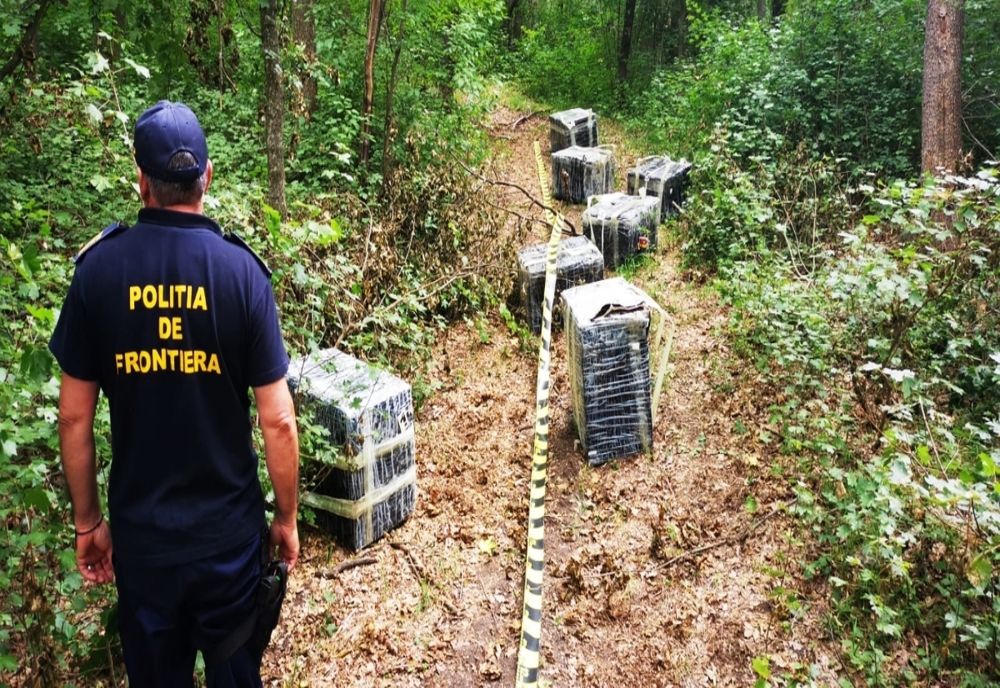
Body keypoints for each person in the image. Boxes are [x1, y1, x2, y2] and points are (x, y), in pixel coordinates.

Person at [49, 100, 300, 687]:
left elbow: (73, 418)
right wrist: (285, 517)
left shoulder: (98, 273)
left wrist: (88, 525)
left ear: (141, 181)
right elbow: (279, 422)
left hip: (145, 545)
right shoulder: (242, 274)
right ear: (206, 177)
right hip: (229, 545)